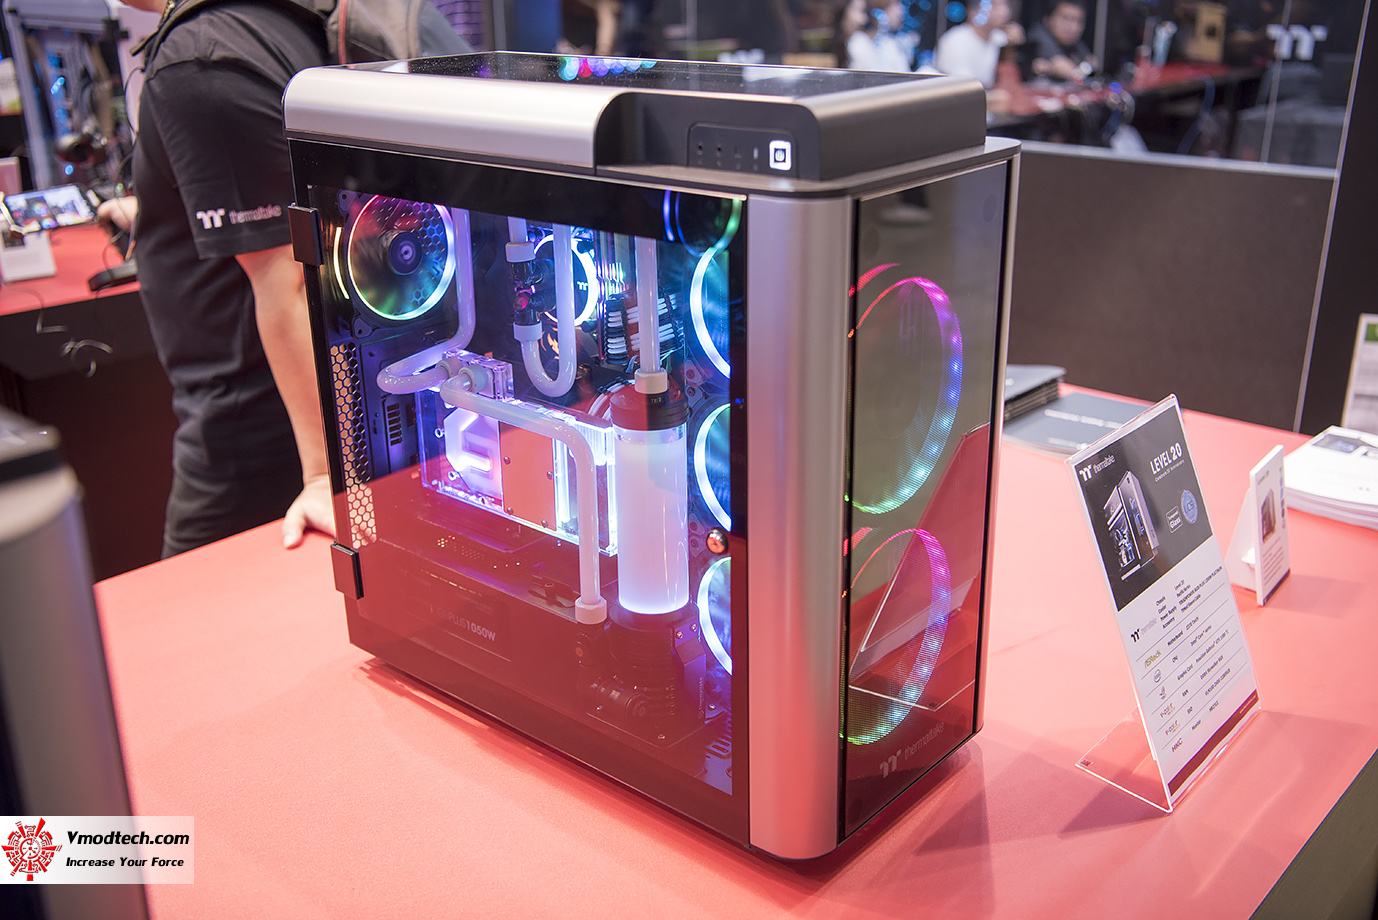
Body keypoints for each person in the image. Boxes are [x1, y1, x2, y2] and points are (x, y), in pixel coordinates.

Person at [99, 0, 335, 555]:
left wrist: (325, 476)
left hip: (251, 429)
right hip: (279, 411)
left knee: (183, 608)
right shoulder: (255, 20)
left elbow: (287, 277)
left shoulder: (201, 58)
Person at [933, 0, 1024, 88]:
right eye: (995, 5)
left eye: (1005, 5)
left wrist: (1017, 45)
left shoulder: (999, 38)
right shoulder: (955, 41)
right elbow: (963, 87)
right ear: (973, 12)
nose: (1004, 12)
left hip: (986, 94)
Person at [1027, 0, 1097, 81]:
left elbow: (1093, 64)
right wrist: (1078, 72)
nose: (1073, 27)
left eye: (1079, 21)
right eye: (1065, 18)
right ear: (1047, 19)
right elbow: (1064, 68)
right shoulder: (1038, 37)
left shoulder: (1075, 43)